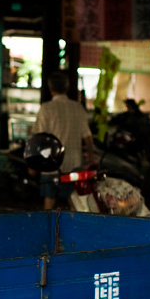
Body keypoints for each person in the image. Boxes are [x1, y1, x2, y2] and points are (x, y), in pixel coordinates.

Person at [31, 71, 94, 209]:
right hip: (73, 167)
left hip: (50, 165)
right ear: (68, 87)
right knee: (74, 203)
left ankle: (48, 229)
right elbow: (88, 137)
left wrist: (33, 164)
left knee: (49, 202)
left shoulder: (46, 109)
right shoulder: (78, 108)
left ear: (50, 88)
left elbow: (37, 139)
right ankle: (72, 229)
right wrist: (92, 159)